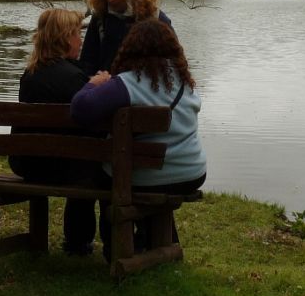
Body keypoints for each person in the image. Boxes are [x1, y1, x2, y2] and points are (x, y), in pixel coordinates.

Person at [71, 18, 207, 260]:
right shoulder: (186, 82)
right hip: (191, 174)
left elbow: (81, 109)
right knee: (124, 169)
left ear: (130, 48)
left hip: (147, 176)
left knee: (108, 171)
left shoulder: (127, 83)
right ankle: (155, 244)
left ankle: (115, 247)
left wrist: (93, 84)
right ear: (172, 48)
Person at [9, 8, 98, 256]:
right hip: (63, 169)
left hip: (26, 164)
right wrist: (96, 86)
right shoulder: (75, 78)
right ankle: (78, 242)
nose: (81, 40)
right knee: (90, 166)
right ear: (65, 37)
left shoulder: (30, 75)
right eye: (77, 34)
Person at [79, 0, 173, 76]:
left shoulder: (156, 18)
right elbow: (87, 62)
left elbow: (174, 64)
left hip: (144, 90)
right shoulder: (100, 18)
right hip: (106, 89)